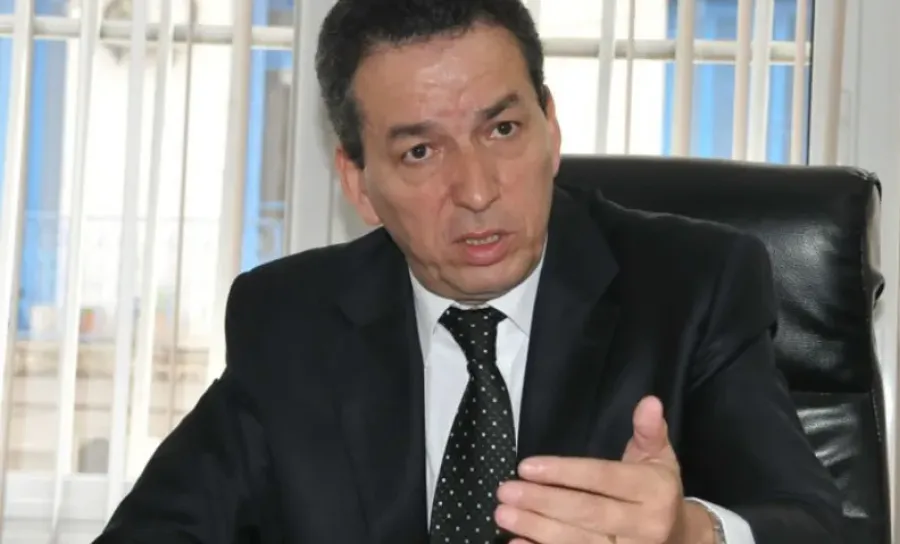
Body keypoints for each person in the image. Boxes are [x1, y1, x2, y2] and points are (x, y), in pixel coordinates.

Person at [94, 0, 845, 542]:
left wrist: (691, 534)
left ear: (551, 128)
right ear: (358, 182)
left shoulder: (690, 287)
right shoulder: (292, 320)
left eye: (504, 128)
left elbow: (814, 526)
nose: (478, 191)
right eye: (420, 151)